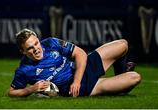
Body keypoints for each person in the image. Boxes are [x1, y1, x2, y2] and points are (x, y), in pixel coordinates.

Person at [8, 28, 141, 97]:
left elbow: (80, 53)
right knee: (135, 77)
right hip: (83, 88)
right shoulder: (24, 70)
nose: (36, 49)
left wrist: (76, 80)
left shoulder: (50, 43)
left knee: (123, 44)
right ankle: (120, 83)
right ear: (23, 51)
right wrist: (31, 89)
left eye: (36, 43)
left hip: (83, 68)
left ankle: (121, 74)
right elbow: (12, 92)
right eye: (30, 48)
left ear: (38, 39)